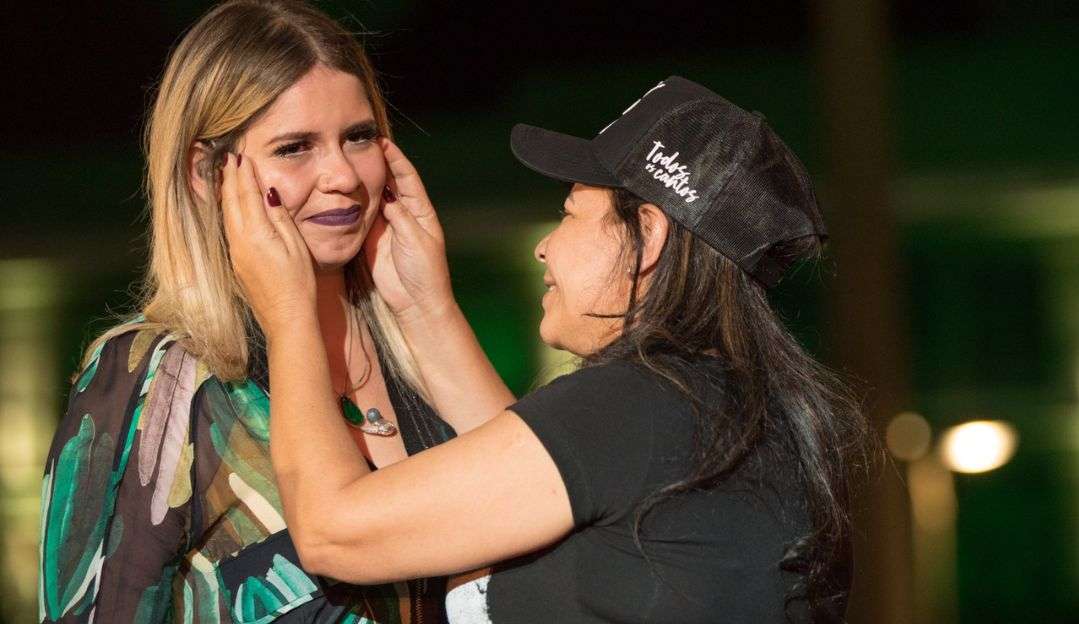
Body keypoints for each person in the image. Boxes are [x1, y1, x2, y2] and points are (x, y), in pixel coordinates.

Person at [223, 75, 870, 623]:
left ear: (646, 236)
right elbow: (540, 471)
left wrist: (289, 313)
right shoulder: (715, 409)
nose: (544, 247)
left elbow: (334, 532)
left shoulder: (638, 405)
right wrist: (424, 308)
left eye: (570, 213)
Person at [36, 1, 499, 621]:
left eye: (358, 136)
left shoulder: (422, 353)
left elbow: (558, 517)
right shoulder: (156, 376)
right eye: (295, 147)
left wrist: (430, 310)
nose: (341, 175)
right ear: (205, 173)